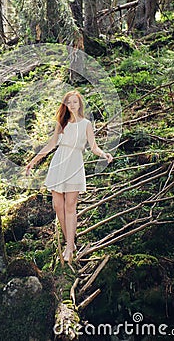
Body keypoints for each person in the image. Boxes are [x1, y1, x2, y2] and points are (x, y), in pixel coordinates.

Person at [25, 90, 113, 263]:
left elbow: (93, 147)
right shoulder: (62, 123)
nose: (72, 105)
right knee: (58, 206)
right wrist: (33, 161)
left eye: (75, 102)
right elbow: (51, 145)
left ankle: (69, 248)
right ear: (65, 105)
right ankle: (70, 242)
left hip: (74, 164)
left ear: (79, 104)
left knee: (70, 206)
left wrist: (104, 154)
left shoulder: (86, 124)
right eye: (69, 102)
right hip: (59, 164)